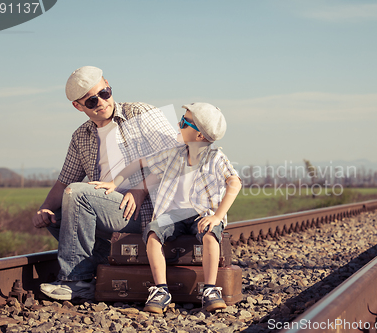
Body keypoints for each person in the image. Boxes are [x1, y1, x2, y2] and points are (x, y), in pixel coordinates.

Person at [32, 66, 177, 301]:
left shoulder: (140, 112)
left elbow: (178, 157)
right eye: (91, 101)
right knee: (55, 215)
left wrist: (140, 189)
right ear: (78, 106)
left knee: (78, 194)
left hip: (145, 211)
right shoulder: (81, 135)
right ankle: (103, 260)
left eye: (104, 93)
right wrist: (44, 209)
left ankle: (76, 281)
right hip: (108, 209)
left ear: (108, 85)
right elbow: (63, 182)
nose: (100, 102)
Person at [91, 102, 242, 313]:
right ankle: (161, 290)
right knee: (153, 232)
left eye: (184, 122)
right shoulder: (174, 154)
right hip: (173, 215)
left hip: (203, 214)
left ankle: (210, 289)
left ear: (199, 136)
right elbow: (139, 163)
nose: (179, 124)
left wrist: (218, 216)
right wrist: (114, 183)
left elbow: (234, 183)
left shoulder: (216, 158)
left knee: (210, 235)